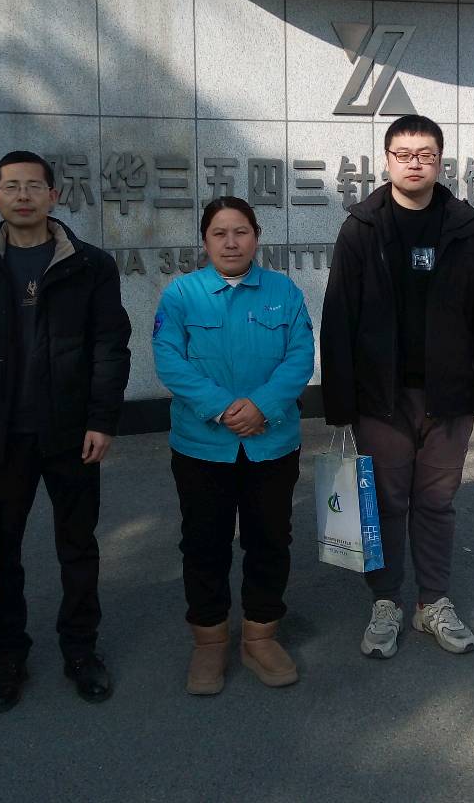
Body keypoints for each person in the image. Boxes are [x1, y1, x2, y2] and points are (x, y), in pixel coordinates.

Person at [0, 150, 131, 713]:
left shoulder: (91, 266)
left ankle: (81, 650)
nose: (23, 196)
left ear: (54, 195)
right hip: (0, 437)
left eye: (34, 186)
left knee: (78, 547)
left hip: (71, 434)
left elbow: (109, 348)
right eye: (11, 187)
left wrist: (102, 420)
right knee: (3, 550)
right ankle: (8, 656)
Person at [321, 114, 474, 659]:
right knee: (384, 501)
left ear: (440, 160)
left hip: (449, 396)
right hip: (381, 397)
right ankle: (385, 602)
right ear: (386, 161)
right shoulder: (362, 228)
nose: (414, 164)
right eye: (403, 154)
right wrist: (339, 402)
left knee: (437, 501)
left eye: (425, 154)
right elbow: (339, 317)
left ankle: (432, 602)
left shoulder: (467, 228)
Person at [152, 197, 315, 695]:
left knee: (270, 539)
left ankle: (261, 636)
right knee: (204, 542)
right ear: (204, 241)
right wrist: (224, 409)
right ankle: (210, 641)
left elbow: (300, 356)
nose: (230, 242)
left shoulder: (284, 292)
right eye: (219, 233)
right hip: (203, 446)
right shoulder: (181, 295)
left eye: (241, 232)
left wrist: (262, 406)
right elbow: (169, 360)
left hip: (272, 443)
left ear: (256, 237)